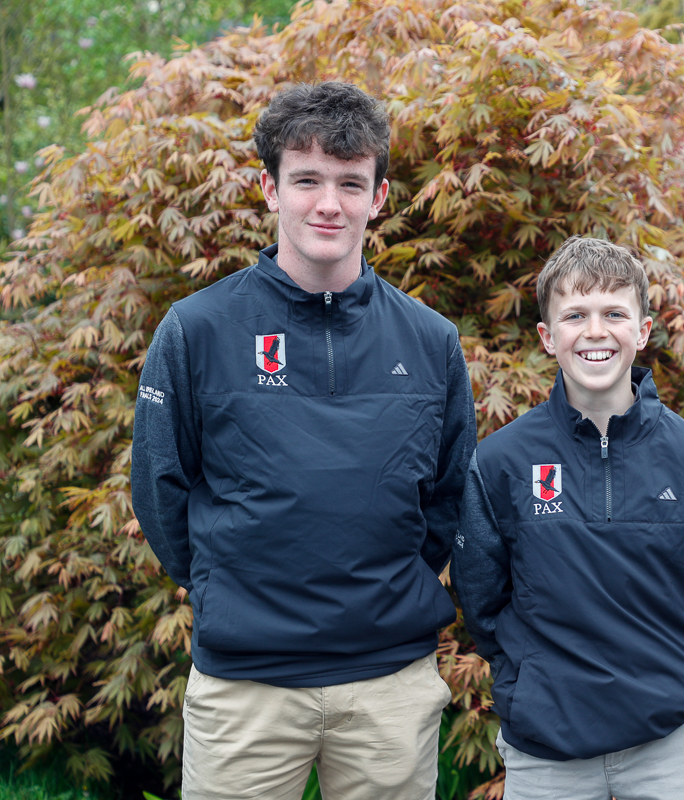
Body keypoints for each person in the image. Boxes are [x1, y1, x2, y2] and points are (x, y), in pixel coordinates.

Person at [131, 82, 476, 800]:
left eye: (351, 183)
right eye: (307, 179)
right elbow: (162, 490)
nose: (329, 203)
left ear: (378, 196)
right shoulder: (196, 330)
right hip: (246, 689)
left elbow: (446, 499)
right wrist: (229, 588)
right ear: (270, 188)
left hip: (389, 688)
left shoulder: (430, 340)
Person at [451, 235, 684, 799]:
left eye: (614, 313)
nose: (595, 331)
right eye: (575, 315)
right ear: (548, 337)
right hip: (547, 752)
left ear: (642, 330)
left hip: (669, 746)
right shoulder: (502, 462)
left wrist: (681, 672)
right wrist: (529, 679)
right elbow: (481, 597)